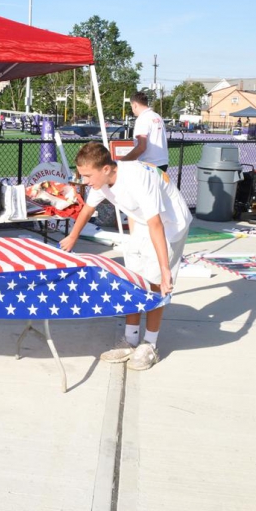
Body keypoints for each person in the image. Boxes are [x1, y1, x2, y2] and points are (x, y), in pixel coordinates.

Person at [59, 142, 192, 369]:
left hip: (170, 225)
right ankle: (130, 339)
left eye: (88, 176)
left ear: (106, 169)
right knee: (132, 281)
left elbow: (156, 224)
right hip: (143, 223)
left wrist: (165, 269)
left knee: (155, 285)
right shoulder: (100, 181)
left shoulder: (138, 178)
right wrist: (72, 237)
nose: (85, 181)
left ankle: (149, 345)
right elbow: (87, 210)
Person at [120, 91, 169, 172]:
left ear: (135, 105)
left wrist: (122, 162)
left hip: (149, 164)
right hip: (163, 162)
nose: (132, 110)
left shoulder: (142, 119)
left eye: (131, 106)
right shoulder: (157, 116)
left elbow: (141, 147)